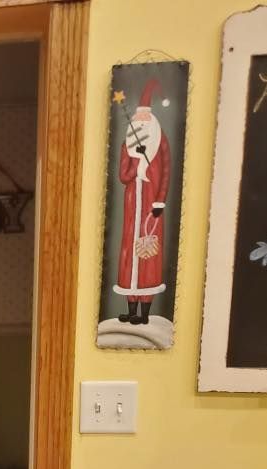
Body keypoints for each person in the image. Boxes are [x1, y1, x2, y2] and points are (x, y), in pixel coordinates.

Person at [114, 79, 170, 325]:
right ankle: (131, 309)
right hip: (132, 203)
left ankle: (145, 314)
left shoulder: (161, 146)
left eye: (146, 123)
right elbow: (124, 177)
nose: (142, 127)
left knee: (148, 256)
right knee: (129, 254)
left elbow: (165, 173)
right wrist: (131, 155)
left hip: (150, 206)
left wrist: (159, 201)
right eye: (138, 124)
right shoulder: (128, 147)